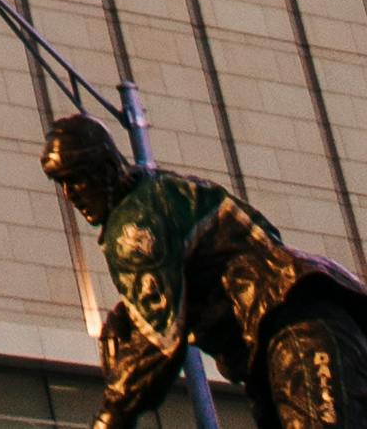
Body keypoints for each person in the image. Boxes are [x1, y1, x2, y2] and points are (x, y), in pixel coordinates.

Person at [46, 112, 367, 428]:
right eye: (62, 183)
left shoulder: (133, 227)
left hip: (297, 333)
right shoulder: (163, 192)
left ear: (105, 169)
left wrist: (111, 415)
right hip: (293, 337)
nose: (70, 194)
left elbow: (159, 341)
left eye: (77, 178)